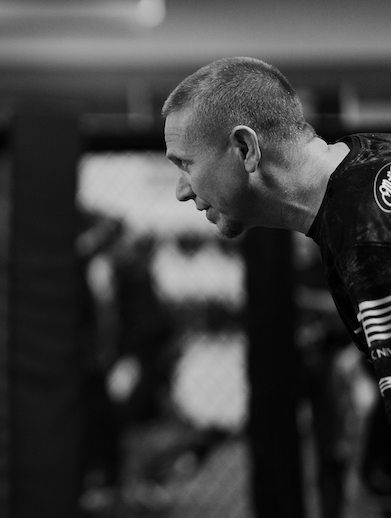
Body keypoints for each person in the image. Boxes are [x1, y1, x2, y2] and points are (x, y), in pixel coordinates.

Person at [162, 56, 391, 502]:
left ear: (246, 149)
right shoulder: (367, 162)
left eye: (185, 164)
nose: (182, 190)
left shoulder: (366, 232)